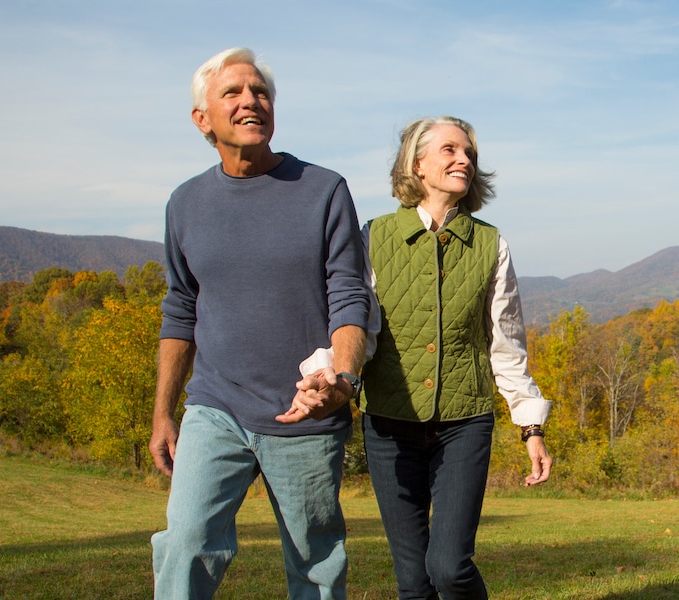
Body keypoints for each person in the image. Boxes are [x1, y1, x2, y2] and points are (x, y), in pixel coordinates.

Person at [149, 47, 369, 600]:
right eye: (233, 93)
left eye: (261, 92)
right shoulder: (186, 203)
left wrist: (342, 381)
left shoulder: (323, 190)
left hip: (304, 411)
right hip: (214, 408)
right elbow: (180, 308)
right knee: (186, 544)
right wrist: (162, 413)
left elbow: (348, 296)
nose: (251, 101)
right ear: (203, 119)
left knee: (315, 562)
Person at [360, 116, 553, 599]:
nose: (464, 159)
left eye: (468, 152)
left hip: (465, 423)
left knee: (448, 568)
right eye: (449, 150)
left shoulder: (492, 244)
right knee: (413, 582)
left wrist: (531, 428)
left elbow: (507, 347)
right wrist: (331, 376)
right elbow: (356, 332)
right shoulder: (371, 237)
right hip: (387, 422)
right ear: (417, 163)